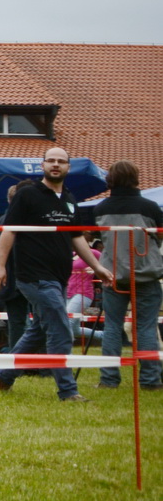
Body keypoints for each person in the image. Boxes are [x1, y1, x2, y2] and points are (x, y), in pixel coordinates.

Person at [0, 147, 112, 402]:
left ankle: (4, 375)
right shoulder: (28, 195)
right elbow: (9, 231)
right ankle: (68, 391)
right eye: (51, 161)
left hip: (59, 278)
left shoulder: (69, 198)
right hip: (33, 277)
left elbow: (76, 236)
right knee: (61, 330)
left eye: (61, 161)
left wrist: (98, 267)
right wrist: (0, 265)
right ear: (43, 165)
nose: (56, 165)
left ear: (68, 167)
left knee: (40, 330)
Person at [94, 161, 162, 390]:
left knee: (112, 326)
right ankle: (150, 380)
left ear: (110, 180)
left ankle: (109, 379)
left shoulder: (100, 209)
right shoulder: (150, 208)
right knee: (145, 327)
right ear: (135, 178)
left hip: (112, 275)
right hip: (146, 275)